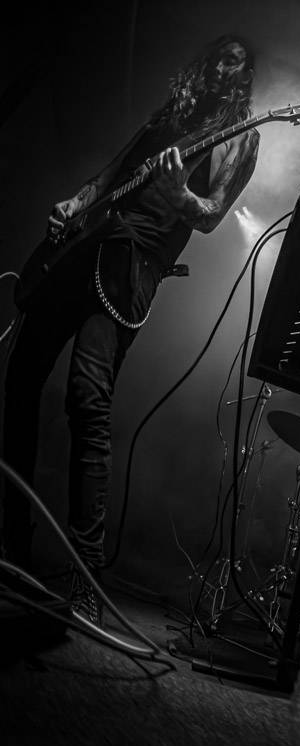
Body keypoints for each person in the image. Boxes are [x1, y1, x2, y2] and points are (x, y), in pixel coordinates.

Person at [2, 35, 260, 624]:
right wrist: (77, 202)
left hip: (132, 266)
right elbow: (111, 172)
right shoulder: (171, 115)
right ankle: (11, 543)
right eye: (220, 56)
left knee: (86, 399)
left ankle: (86, 577)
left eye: (238, 63)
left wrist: (179, 193)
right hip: (84, 246)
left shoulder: (241, 136)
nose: (225, 68)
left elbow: (212, 215)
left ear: (246, 78)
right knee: (21, 379)